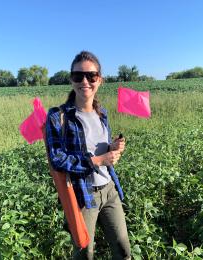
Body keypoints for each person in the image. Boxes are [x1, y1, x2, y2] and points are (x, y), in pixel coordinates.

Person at [45, 50, 131, 260]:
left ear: (99, 80)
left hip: (109, 189)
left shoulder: (102, 114)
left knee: (123, 249)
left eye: (91, 76)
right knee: (85, 254)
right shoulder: (58, 116)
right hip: (83, 195)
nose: (85, 81)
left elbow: (98, 149)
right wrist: (98, 160)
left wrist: (112, 147)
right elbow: (56, 159)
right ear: (71, 79)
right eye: (78, 76)